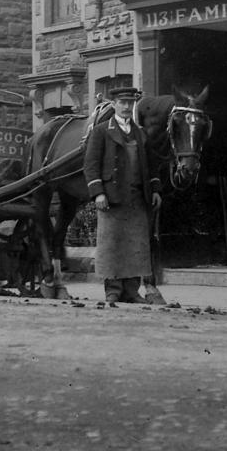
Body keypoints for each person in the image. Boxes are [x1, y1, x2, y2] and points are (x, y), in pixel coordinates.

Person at [83, 86, 163, 305]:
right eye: (122, 102)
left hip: (137, 198)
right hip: (112, 198)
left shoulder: (141, 133)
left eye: (130, 103)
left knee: (136, 246)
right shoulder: (101, 131)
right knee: (112, 245)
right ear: (114, 104)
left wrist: (155, 189)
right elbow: (90, 165)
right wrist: (98, 192)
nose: (127, 107)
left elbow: (152, 165)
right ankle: (113, 291)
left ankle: (132, 291)